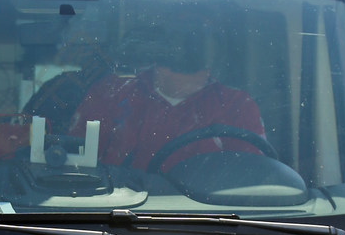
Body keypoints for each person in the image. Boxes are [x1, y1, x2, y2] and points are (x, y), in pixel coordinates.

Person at [68, 17, 265, 172]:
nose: (186, 70)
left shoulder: (236, 106)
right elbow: (77, 170)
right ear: (157, 58)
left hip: (209, 219)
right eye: (176, 56)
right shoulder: (110, 95)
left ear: (212, 63)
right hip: (116, 214)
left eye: (197, 57)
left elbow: (250, 182)